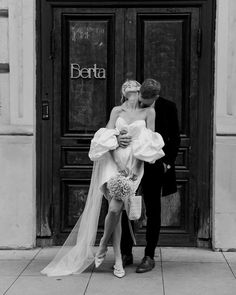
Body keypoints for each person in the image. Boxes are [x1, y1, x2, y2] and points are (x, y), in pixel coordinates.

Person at [41, 80, 165, 278]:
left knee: (116, 211)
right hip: (113, 163)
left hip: (133, 166)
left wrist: (136, 169)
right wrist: (116, 142)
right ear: (125, 93)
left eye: (136, 91)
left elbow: (148, 144)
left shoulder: (149, 112)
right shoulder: (117, 111)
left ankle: (108, 249)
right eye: (130, 91)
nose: (134, 94)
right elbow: (104, 137)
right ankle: (108, 250)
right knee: (115, 208)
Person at [120, 78, 180, 273]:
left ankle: (149, 255)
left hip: (155, 167)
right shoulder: (131, 105)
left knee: (153, 211)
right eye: (141, 97)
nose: (142, 102)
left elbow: (175, 137)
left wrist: (167, 163)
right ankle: (125, 252)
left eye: (147, 99)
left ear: (156, 96)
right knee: (126, 207)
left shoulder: (168, 107)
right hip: (131, 166)